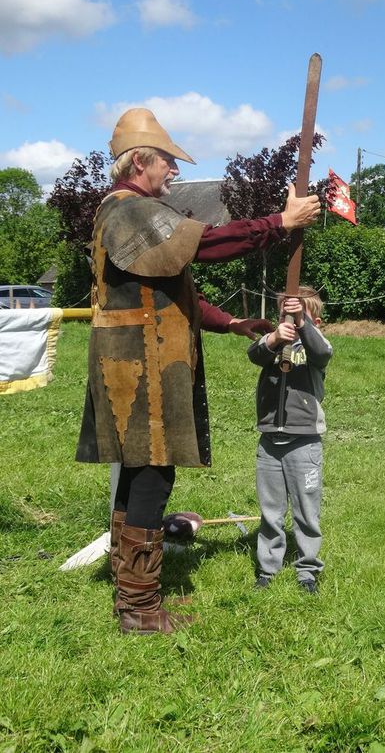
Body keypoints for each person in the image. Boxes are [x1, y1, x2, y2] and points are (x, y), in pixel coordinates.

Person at [75, 108, 320, 634]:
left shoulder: (131, 213)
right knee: (151, 475)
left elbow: (176, 292)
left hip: (138, 361)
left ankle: (132, 599)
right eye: (166, 161)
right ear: (140, 161)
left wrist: (231, 323)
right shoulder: (129, 211)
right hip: (139, 365)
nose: (173, 171)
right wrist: (280, 224)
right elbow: (206, 244)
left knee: (139, 474)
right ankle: (139, 610)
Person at [247, 286, 332, 594]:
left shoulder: (314, 348)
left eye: (297, 316)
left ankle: (308, 569)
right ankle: (268, 569)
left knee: (306, 510)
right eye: (285, 315)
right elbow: (254, 354)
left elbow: (323, 351)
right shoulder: (272, 344)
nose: (290, 322)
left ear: (314, 323)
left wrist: (302, 324)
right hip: (270, 442)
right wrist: (273, 338)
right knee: (270, 510)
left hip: (304, 443)